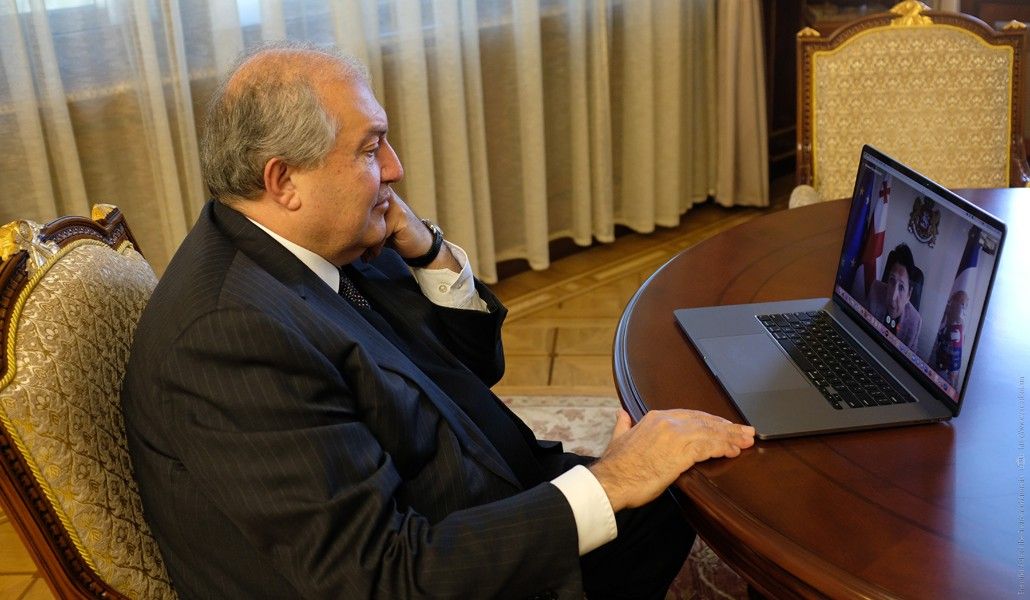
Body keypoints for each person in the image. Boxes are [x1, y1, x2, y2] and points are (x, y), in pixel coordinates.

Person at [120, 42, 755, 600]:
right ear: (284, 181)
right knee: (679, 491)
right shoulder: (230, 339)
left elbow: (474, 365)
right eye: (370, 148)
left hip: (475, 495)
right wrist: (613, 481)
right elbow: (379, 577)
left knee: (684, 481)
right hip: (441, 561)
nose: (394, 168)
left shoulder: (311, 240)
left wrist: (426, 249)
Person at [867, 244, 922, 348]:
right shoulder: (875, 290)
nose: (893, 297)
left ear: (909, 295)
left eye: (901, 287)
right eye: (892, 280)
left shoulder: (915, 322)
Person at [929, 289, 969, 388]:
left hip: (945, 377)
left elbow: (953, 371)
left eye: (962, 305)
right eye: (956, 303)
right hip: (933, 367)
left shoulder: (959, 330)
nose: (958, 308)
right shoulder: (942, 321)